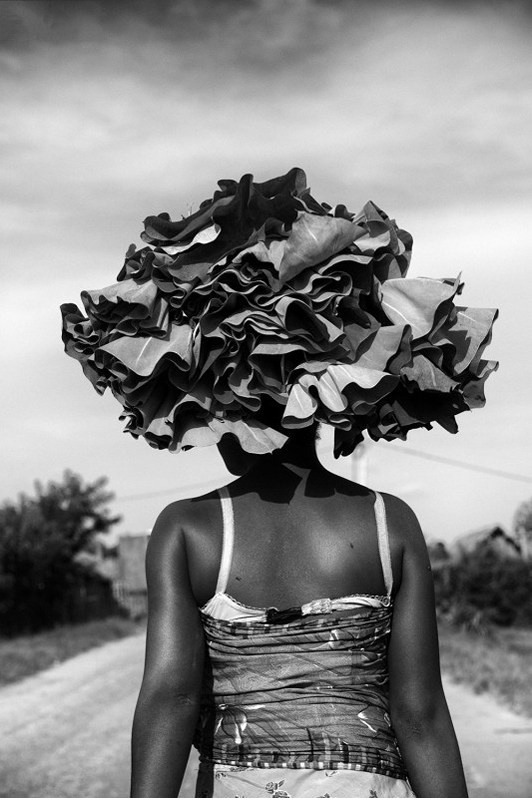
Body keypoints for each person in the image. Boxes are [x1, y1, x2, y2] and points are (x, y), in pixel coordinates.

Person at [60, 168, 498, 798]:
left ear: (221, 402)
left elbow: (171, 697)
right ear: (331, 395)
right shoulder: (389, 522)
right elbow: (421, 716)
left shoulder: (187, 530)